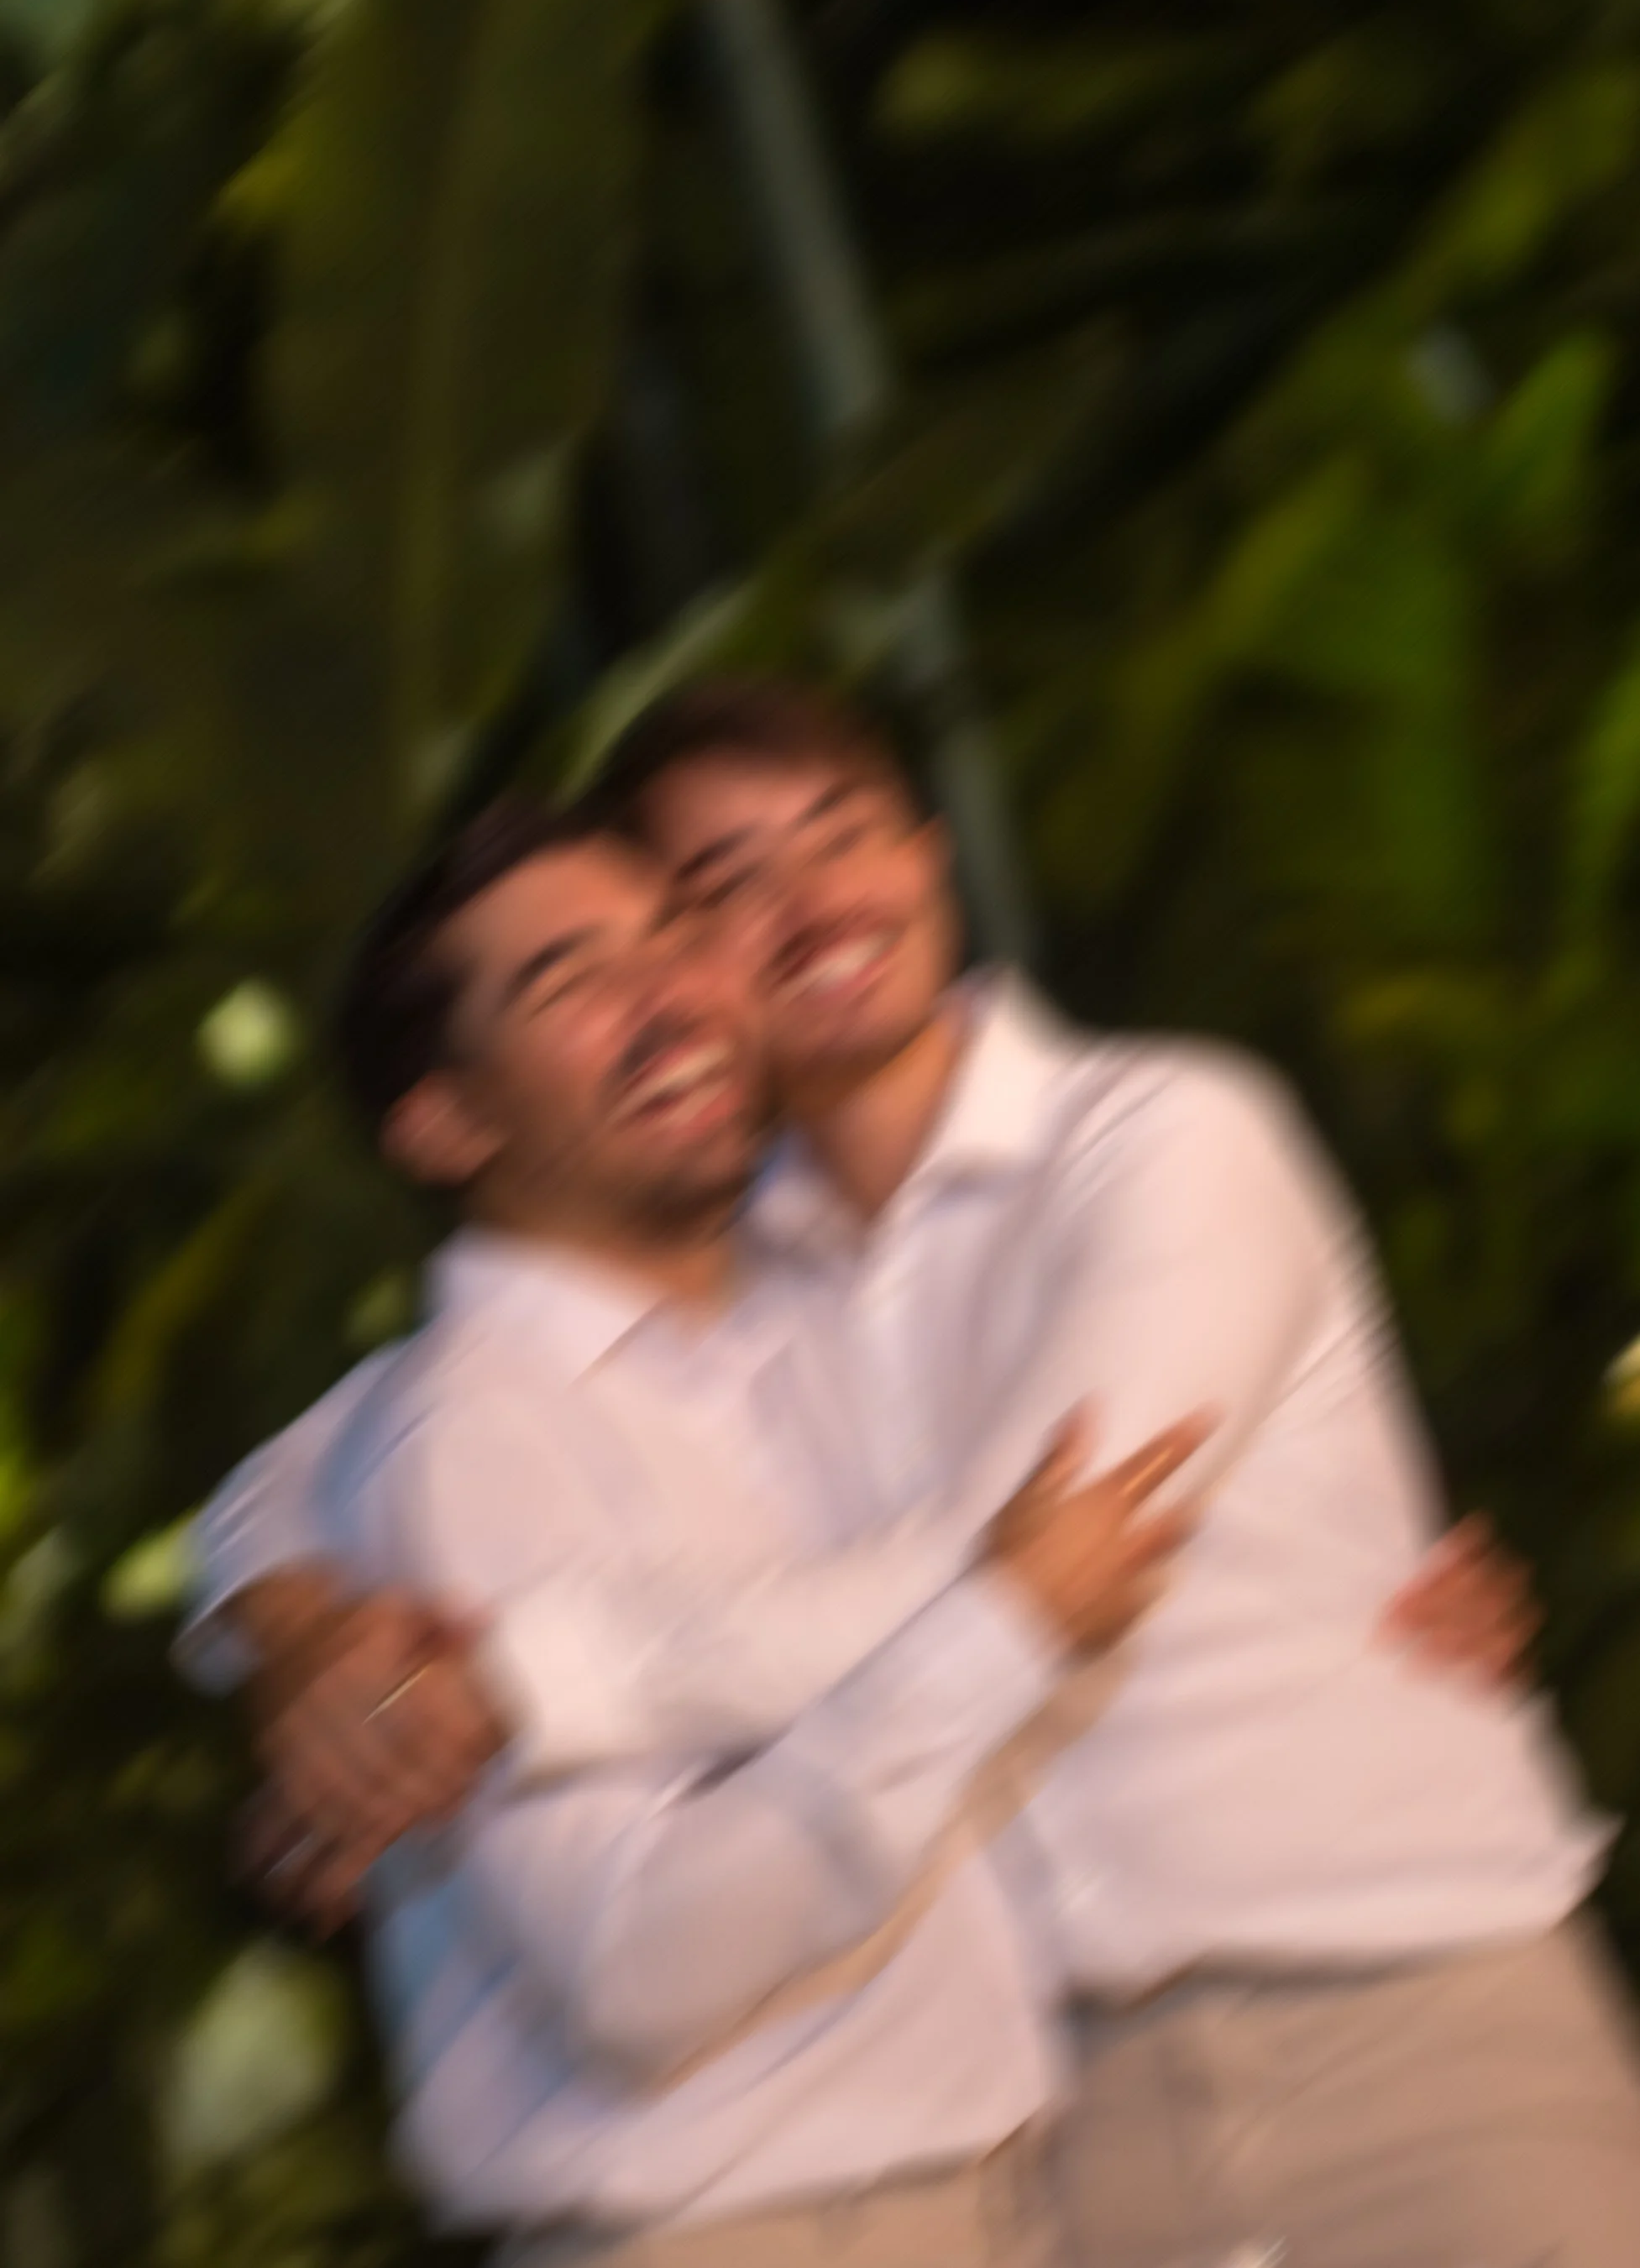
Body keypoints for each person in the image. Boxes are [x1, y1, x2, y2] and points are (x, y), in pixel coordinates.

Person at [191, 678, 1638, 2267]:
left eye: (845, 834)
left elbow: (1004, 1565)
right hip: (1058, 2134)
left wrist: (512, 1679)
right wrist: (297, 1627)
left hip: (1402, 2012)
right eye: (723, 890)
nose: (811, 903)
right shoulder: (743, 1294)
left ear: (932, 854)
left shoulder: (1158, 1140)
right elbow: (361, 1436)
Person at [190, 793, 1208, 2266]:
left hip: (999, 2198)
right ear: (447, 1123)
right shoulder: (472, 1439)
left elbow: (269, 1490)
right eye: (569, 984)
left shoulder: (816, 1307)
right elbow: (633, 1967)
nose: (669, 997)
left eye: (673, 935)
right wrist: (994, 1638)